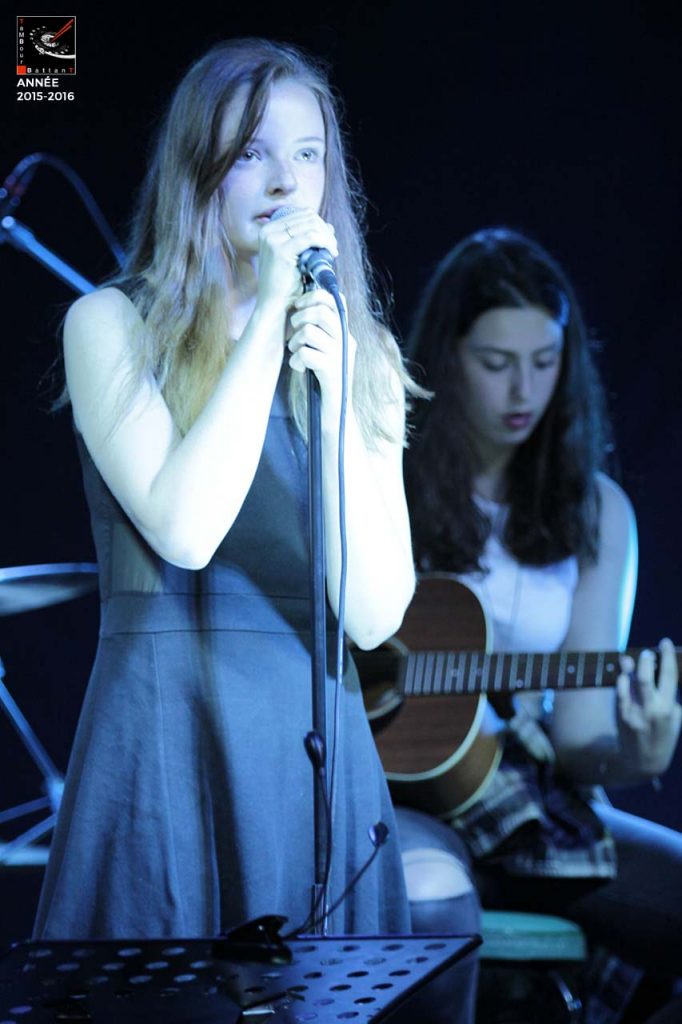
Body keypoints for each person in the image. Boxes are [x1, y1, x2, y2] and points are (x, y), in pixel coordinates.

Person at [33, 37, 434, 946]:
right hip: (166, 740)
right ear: (198, 171)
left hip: (311, 750)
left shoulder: (360, 353)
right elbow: (186, 529)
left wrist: (333, 408)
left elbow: (376, 615)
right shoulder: (109, 325)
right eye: (252, 152)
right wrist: (264, 328)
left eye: (308, 154)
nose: (288, 182)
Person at [403, 227, 682, 1012]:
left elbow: (580, 742)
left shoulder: (599, 511)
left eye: (545, 360)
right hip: (408, 803)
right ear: (449, 358)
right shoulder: (384, 477)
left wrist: (639, 751)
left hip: (539, 813)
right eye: (496, 364)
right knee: (430, 907)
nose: (524, 390)